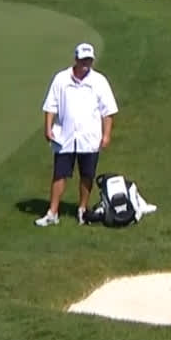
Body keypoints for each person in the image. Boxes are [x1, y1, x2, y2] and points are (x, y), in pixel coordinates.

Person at [36, 43, 119, 226]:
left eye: (89, 60)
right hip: (64, 136)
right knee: (59, 174)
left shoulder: (99, 81)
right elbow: (51, 106)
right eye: (83, 60)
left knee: (87, 174)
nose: (85, 64)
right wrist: (48, 127)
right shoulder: (61, 79)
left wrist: (106, 135)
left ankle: (82, 209)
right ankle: (53, 212)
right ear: (76, 59)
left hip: (89, 138)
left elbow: (108, 111)